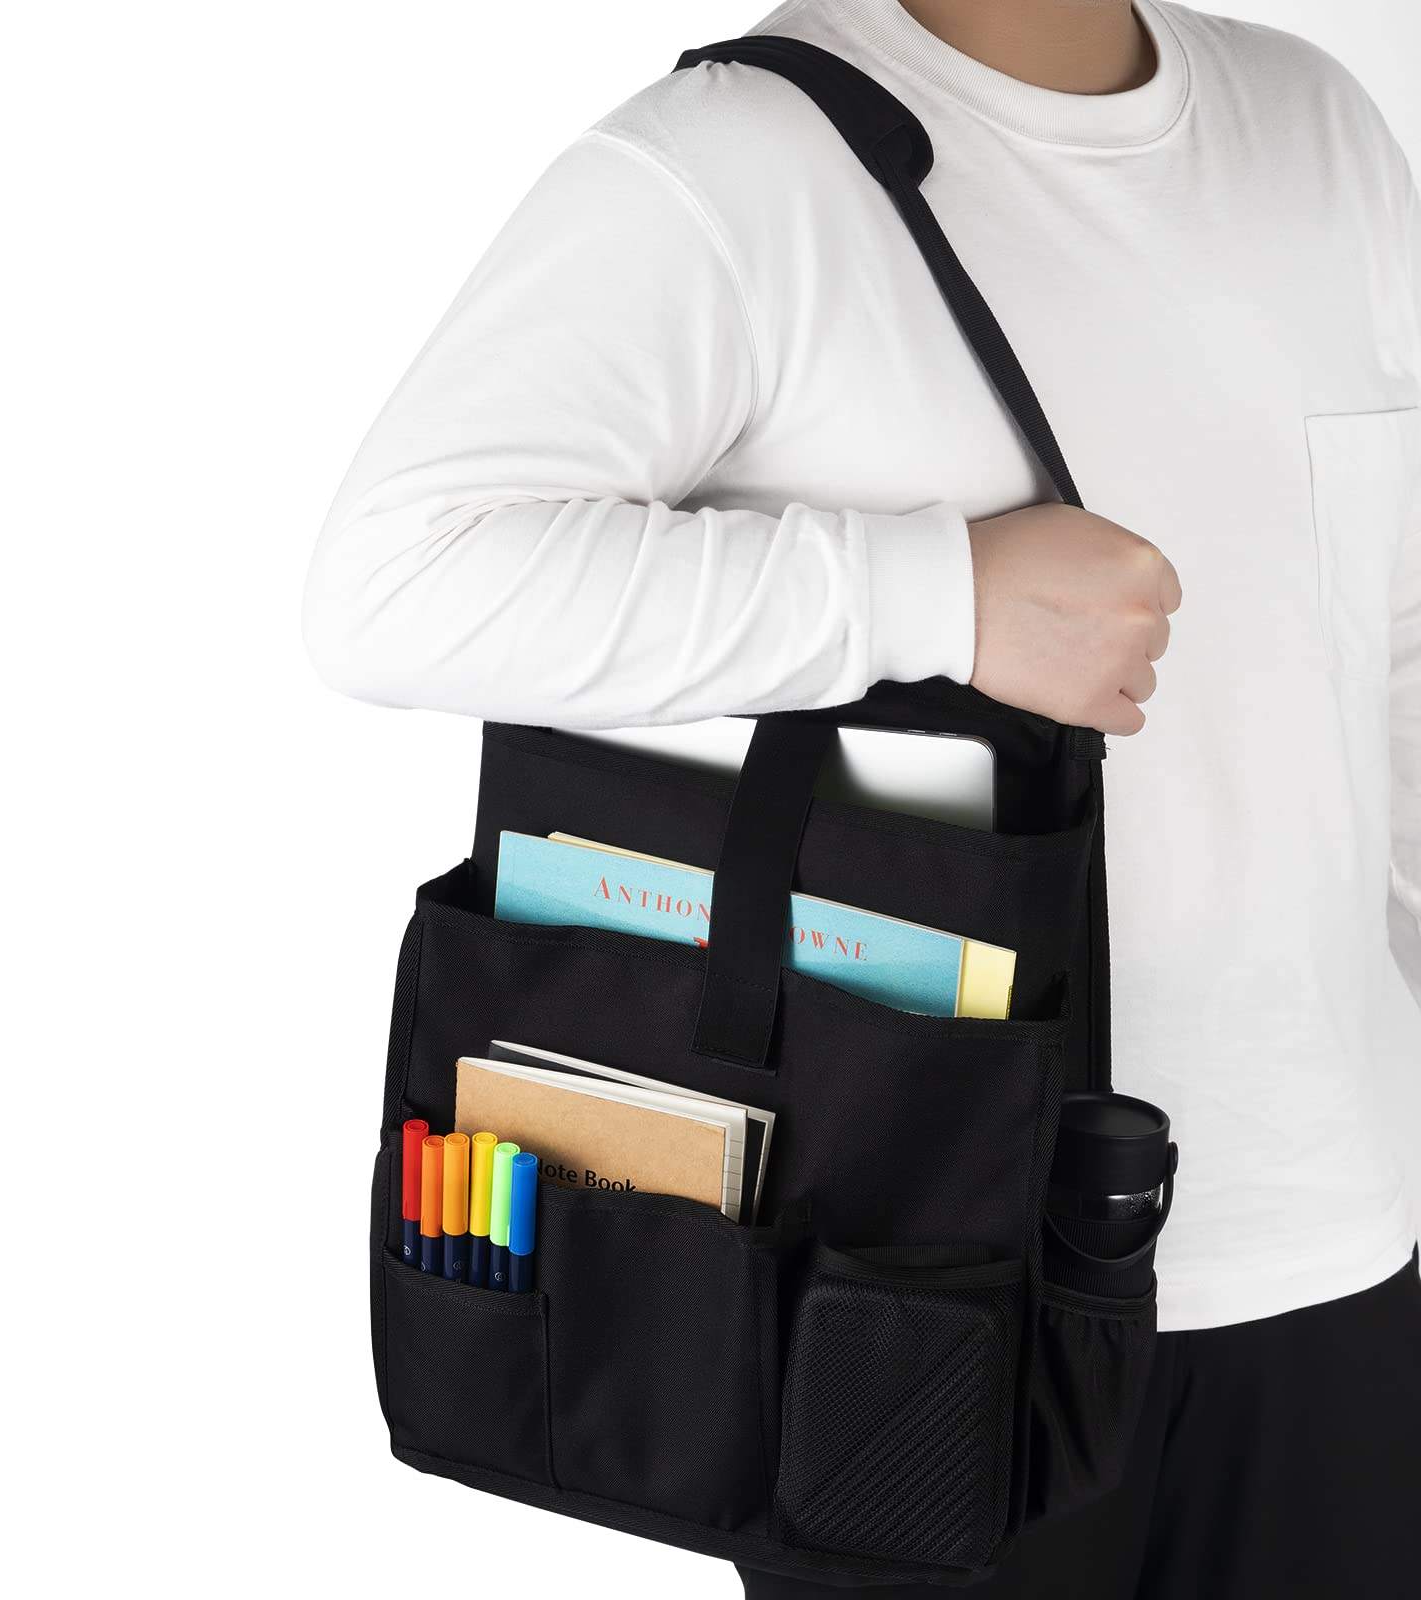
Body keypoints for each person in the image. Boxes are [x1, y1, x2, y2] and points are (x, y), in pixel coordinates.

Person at [305, 1, 1421, 1593]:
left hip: (1342, 1242)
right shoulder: (731, 168)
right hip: (924, 1300)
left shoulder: (1321, 124)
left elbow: (1392, 642)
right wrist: (939, 595)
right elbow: (392, 586)